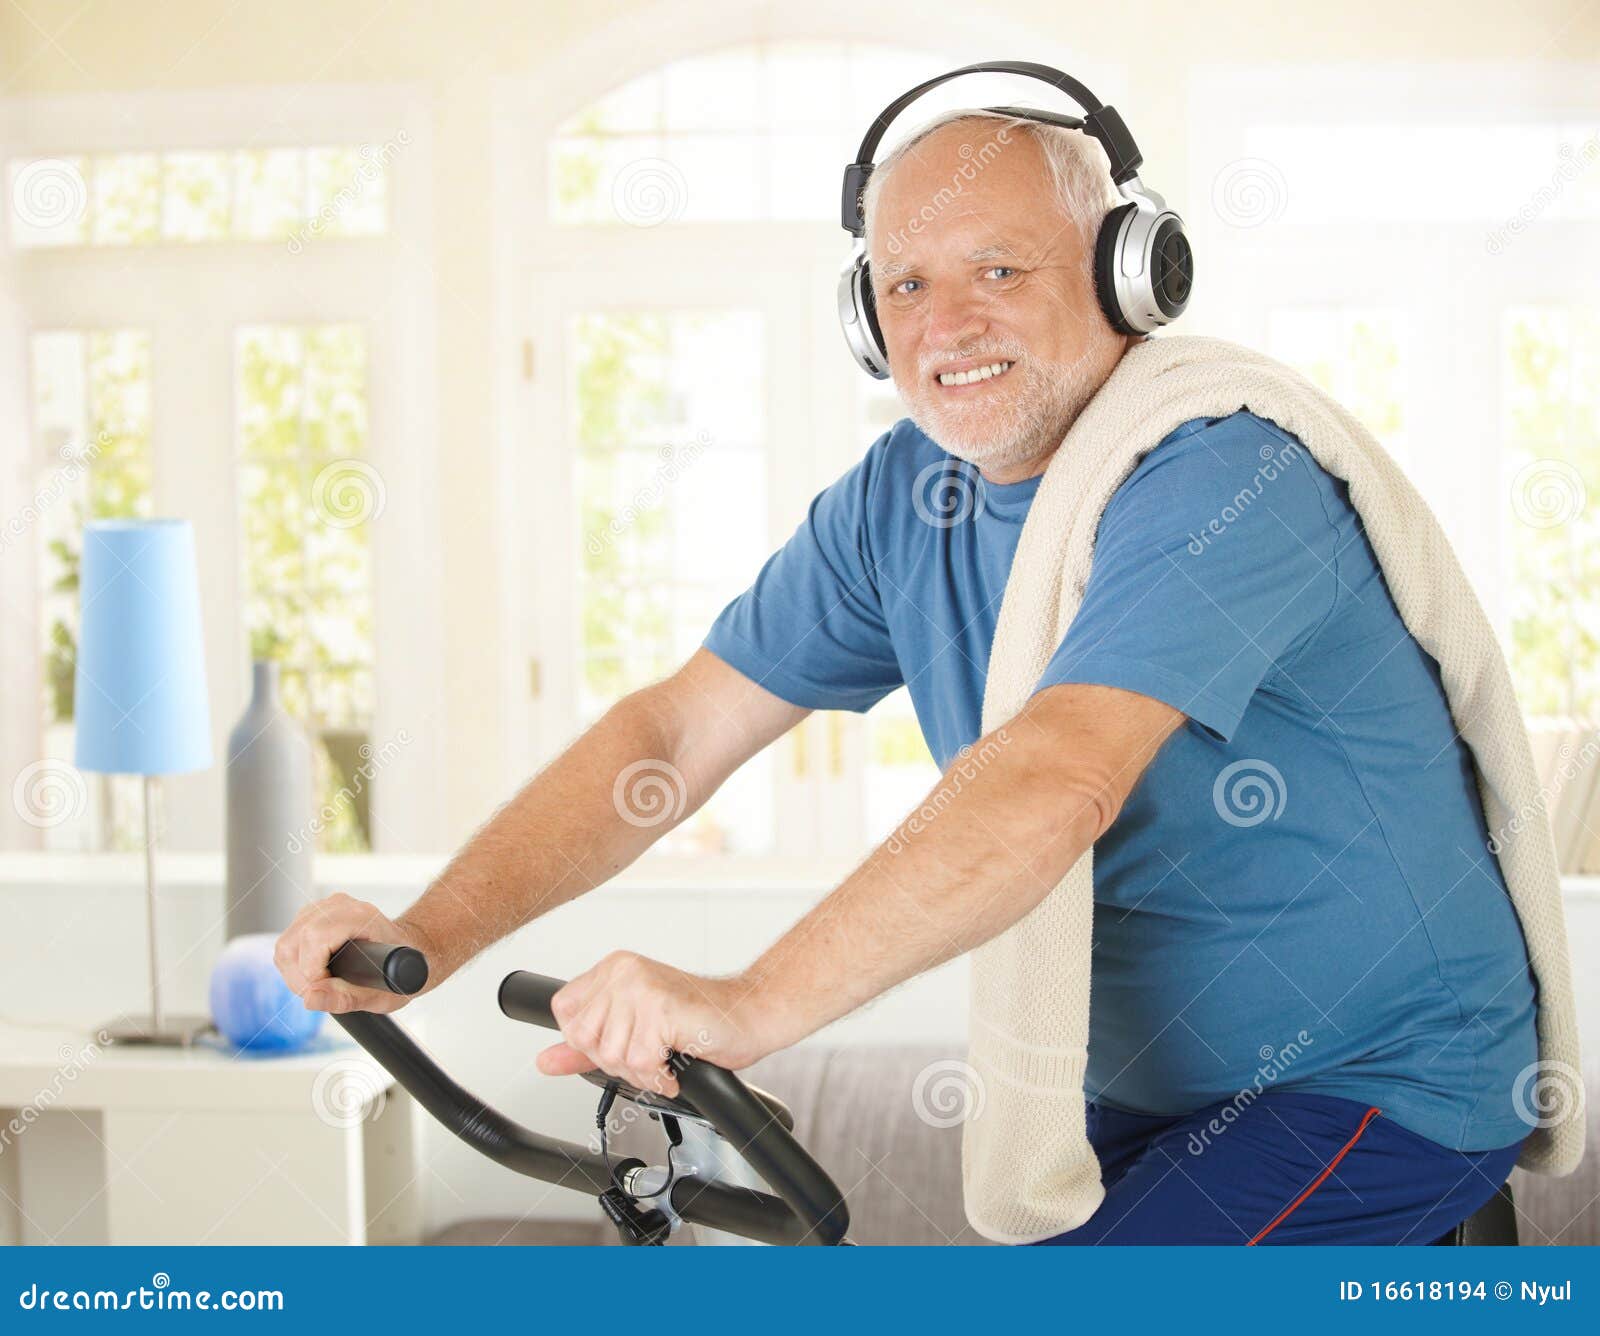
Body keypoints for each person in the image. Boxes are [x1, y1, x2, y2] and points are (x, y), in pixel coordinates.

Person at [277, 110, 1537, 1244]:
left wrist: (747, 1004)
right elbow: (671, 735)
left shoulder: (1219, 477)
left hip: (1380, 1081)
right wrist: (424, 935)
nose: (945, 326)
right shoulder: (904, 501)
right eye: (905, 284)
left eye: (998, 269)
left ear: (1128, 274)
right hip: (1145, 1089)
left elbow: (1055, 777)